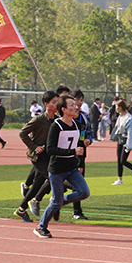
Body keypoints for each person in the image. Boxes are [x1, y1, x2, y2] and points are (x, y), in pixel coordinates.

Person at [33, 95, 90, 238]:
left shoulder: (77, 124)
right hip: (57, 169)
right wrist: (73, 151)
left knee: (84, 192)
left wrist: (82, 151)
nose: (76, 107)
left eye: (76, 104)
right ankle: (41, 227)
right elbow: (51, 149)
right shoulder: (56, 126)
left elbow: (79, 144)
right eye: (72, 105)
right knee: (57, 201)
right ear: (63, 109)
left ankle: (57, 202)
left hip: (72, 167)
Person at [15, 90, 58, 223]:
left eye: (57, 102)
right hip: (38, 156)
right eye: (54, 102)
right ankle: (43, 202)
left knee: (37, 184)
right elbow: (22, 133)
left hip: (49, 156)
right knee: (54, 178)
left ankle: (21, 210)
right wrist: (34, 147)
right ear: (46, 104)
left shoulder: (57, 120)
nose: (56, 104)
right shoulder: (39, 119)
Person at [71, 89, 93, 220]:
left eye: (81, 100)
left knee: (79, 180)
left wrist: (88, 140)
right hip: (67, 152)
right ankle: (39, 197)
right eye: (76, 99)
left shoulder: (84, 116)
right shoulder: (67, 116)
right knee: (60, 179)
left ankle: (77, 211)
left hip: (81, 152)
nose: (79, 102)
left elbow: (89, 131)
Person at [110, 99, 132, 185]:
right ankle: (119, 179)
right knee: (119, 160)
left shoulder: (129, 118)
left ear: (120, 107)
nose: (115, 109)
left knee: (123, 161)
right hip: (120, 140)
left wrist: (129, 145)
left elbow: (130, 132)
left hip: (127, 141)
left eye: (116, 107)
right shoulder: (120, 116)